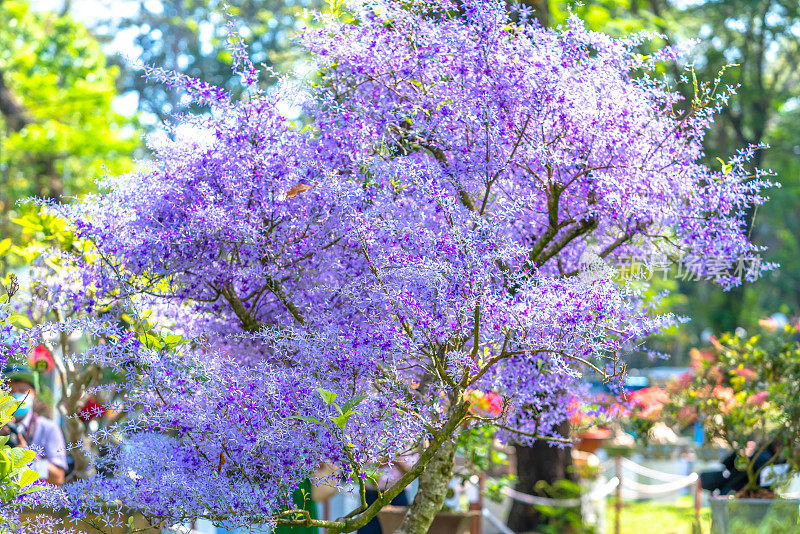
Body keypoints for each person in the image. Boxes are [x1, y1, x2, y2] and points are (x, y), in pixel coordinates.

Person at [3, 365, 67, 486]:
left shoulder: (48, 428)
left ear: (35, 394)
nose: (15, 396)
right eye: (9, 392)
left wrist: (27, 458)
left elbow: (58, 478)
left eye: (23, 391)